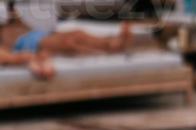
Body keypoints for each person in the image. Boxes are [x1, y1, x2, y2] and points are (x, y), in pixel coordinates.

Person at [0, 1, 132, 79]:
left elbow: (21, 24)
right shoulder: (7, 32)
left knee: (77, 34)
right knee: (70, 42)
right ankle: (104, 49)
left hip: (33, 35)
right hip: (28, 42)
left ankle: (110, 43)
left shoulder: (13, 19)